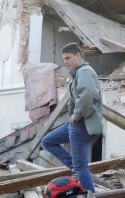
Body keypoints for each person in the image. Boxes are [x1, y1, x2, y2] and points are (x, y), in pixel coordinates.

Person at [41, 43, 103, 193]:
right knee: (47, 141)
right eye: (64, 59)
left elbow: (88, 94)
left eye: (68, 58)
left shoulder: (84, 72)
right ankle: (73, 167)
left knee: (81, 165)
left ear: (78, 55)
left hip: (81, 123)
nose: (66, 62)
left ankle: (90, 194)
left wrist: (77, 113)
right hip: (75, 124)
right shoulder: (79, 73)